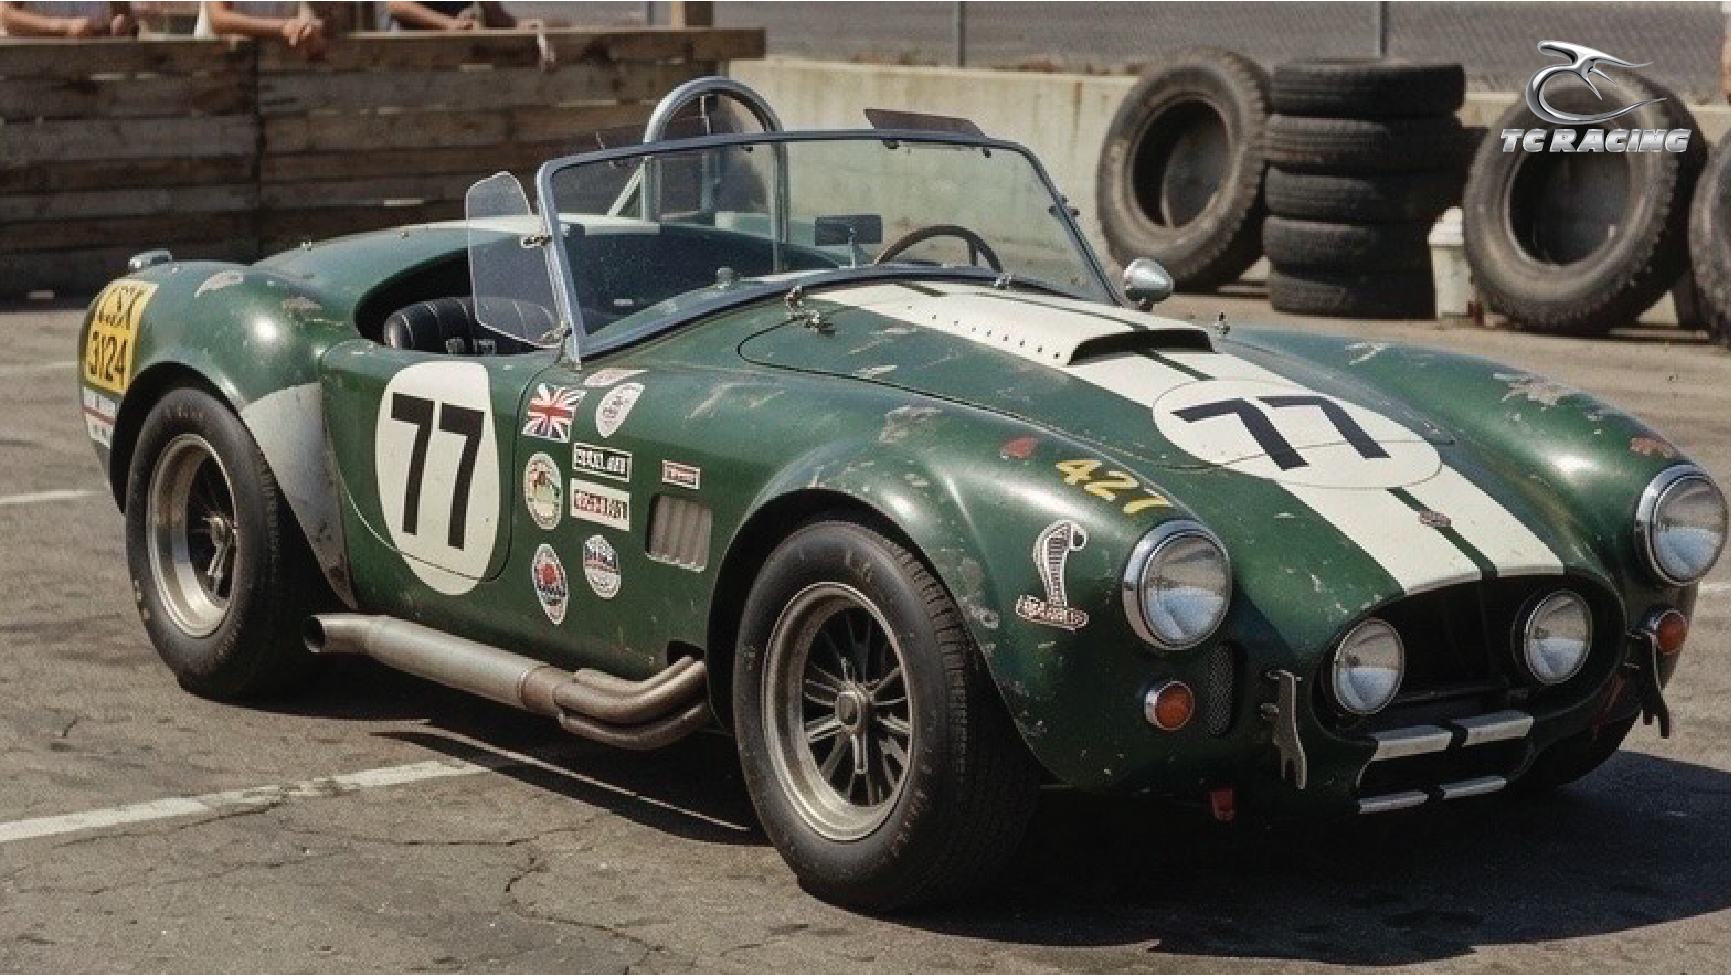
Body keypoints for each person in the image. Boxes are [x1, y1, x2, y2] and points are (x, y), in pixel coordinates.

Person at [196, 1, 323, 58]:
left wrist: (307, 28)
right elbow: (219, 20)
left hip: (275, 75)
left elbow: (307, 16)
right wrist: (283, 27)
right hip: (215, 72)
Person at [0, 1, 136, 36]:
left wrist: (124, 22)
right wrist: (62, 27)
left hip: (97, 81)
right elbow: (6, 16)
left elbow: (124, 13)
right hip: (33, 77)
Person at [384, 1, 530, 31]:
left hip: (448, 61)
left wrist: (518, 26)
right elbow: (397, 5)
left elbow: (494, 13)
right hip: (405, 59)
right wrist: (448, 23)